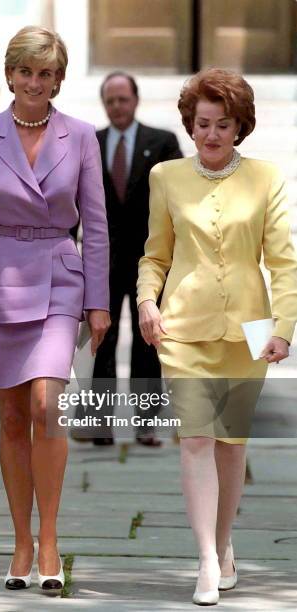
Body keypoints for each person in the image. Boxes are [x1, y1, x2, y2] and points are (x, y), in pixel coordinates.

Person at [0, 26, 110, 591]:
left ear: (59, 80)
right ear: (11, 73)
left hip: (61, 279)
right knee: (11, 416)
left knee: (46, 405)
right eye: (26, 71)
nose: (35, 82)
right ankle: (20, 543)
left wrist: (99, 301)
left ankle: (52, 539)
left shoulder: (82, 136)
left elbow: (98, 226)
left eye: (47, 73)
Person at [137, 68, 297, 605]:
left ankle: (225, 544)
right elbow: (155, 255)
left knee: (232, 447)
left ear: (239, 126)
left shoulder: (266, 177)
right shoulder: (165, 177)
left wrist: (284, 327)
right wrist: (144, 301)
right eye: (202, 124)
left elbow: (283, 261)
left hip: (250, 331)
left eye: (222, 125)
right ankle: (206, 558)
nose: (210, 135)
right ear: (190, 124)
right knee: (197, 440)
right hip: (181, 328)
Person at [90, 71, 183, 447]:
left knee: (148, 341)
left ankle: (146, 424)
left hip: (150, 261)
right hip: (102, 262)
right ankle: (99, 423)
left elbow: (179, 201)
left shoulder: (161, 143)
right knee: (102, 340)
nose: (117, 107)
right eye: (110, 101)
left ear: (136, 100)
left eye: (122, 99)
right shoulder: (89, 143)